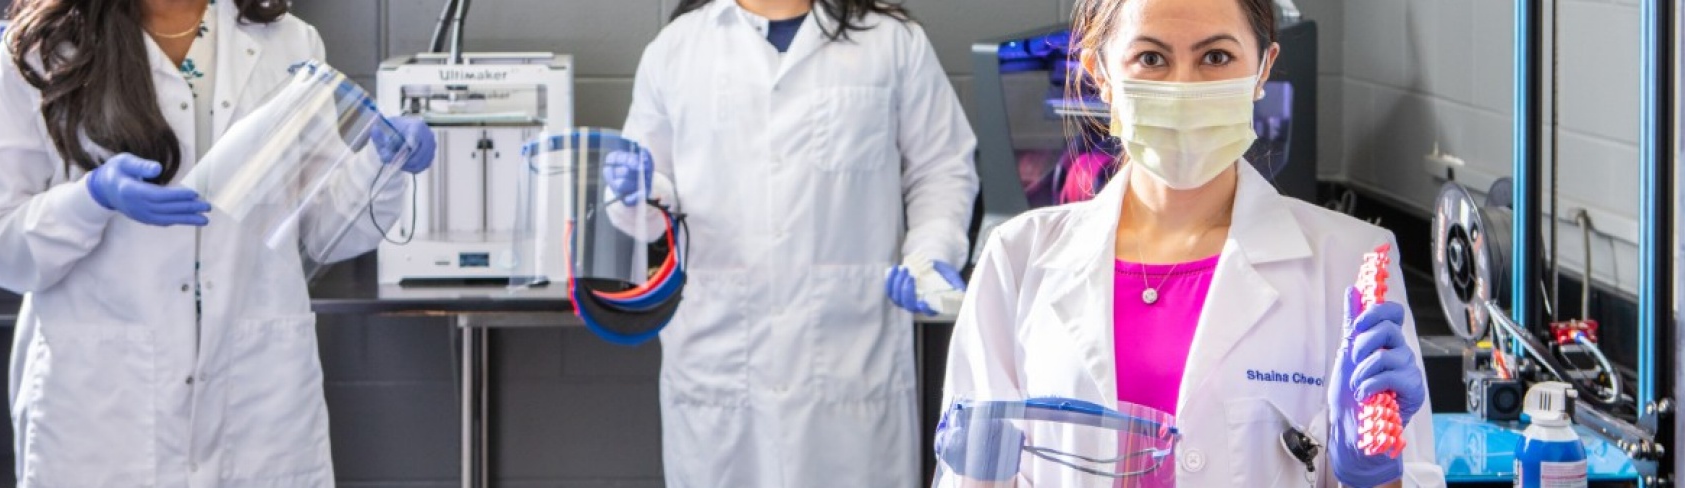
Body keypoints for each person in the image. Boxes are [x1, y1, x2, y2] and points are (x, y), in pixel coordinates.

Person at [937, 0, 1442, 486]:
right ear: (1100, 73)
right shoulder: (1019, 260)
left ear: (1263, 69)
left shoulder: (1350, 265)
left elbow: (1409, 478)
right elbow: (972, 480)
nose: (1183, 87)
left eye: (1216, 57)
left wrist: (1374, 476)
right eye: (1151, 58)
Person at [0, 0, 436, 485]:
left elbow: (324, 231)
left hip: (255, 400)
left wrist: (380, 165)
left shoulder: (287, 40)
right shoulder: (43, 50)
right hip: (103, 407)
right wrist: (91, 199)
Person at [610, 0, 979, 485]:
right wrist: (635, 193)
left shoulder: (891, 42)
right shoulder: (677, 49)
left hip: (851, 365)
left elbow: (942, 169)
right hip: (718, 367)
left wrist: (930, 254)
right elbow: (650, 205)